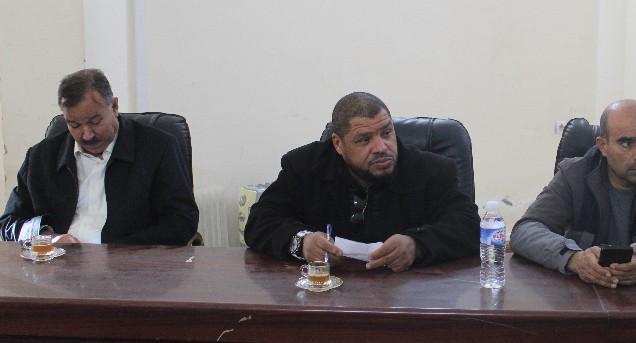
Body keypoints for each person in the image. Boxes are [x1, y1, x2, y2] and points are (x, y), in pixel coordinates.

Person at [244, 92, 479, 271]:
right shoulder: (305, 167)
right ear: (338, 144)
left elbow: (468, 227)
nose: (381, 147)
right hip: (327, 298)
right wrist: (302, 242)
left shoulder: (432, 171)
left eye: (386, 133)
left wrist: (417, 245)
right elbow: (261, 221)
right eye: (364, 140)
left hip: (408, 298)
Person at [510, 99, 636, 287]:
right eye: (627, 143)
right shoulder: (574, 174)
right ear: (603, 146)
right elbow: (526, 229)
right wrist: (575, 258)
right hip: (584, 298)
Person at [1, 68, 199, 245]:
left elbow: (181, 222)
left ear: (114, 107)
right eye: (75, 125)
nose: (87, 135)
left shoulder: (157, 148)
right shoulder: (41, 157)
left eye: (95, 121)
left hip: (128, 267)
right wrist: (48, 237)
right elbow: (9, 224)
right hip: (59, 267)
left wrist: (115, 252)